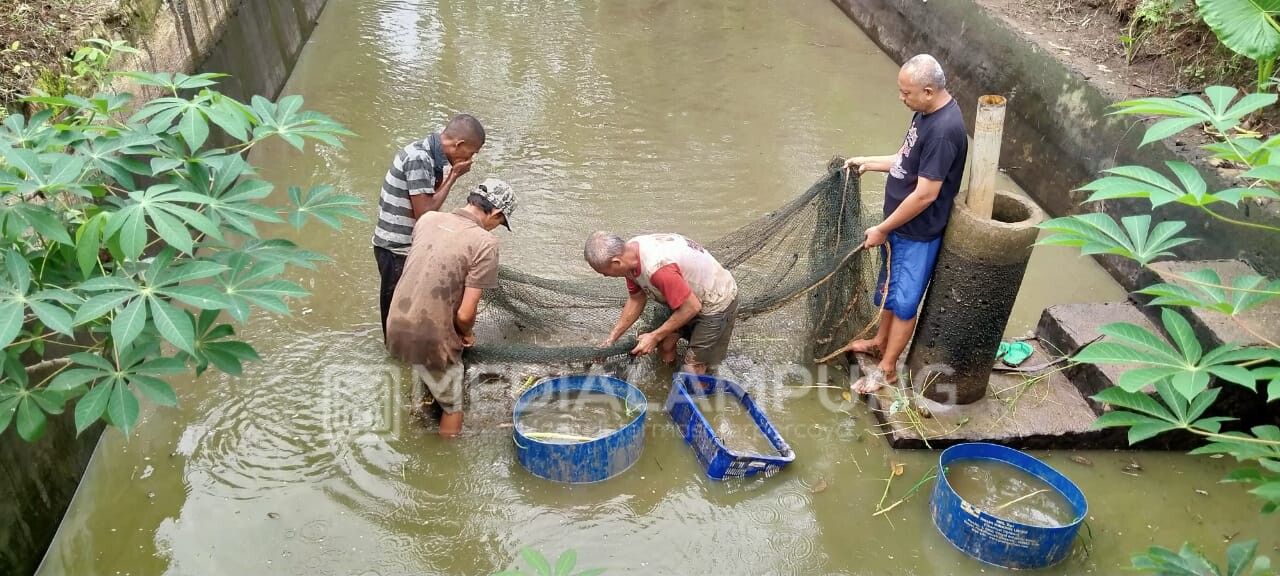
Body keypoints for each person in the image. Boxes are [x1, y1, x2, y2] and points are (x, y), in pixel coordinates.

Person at [843, 54, 968, 394]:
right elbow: (905, 160)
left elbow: (926, 193)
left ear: (929, 91)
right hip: (899, 226)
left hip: (918, 232)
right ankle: (879, 342)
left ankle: (887, 370)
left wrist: (883, 228)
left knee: (906, 301)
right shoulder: (925, 113)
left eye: (906, 93)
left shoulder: (944, 130)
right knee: (890, 291)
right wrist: (868, 161)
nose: (902, 98)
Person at [385, 179, 517, 437]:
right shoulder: (485, 243)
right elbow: (465, 314)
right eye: (500, 223)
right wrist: (466, 334)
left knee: (428, 372)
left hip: (395, 324)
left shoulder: (428, 219)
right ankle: (446, 463)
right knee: (453, 406)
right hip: (430, 337)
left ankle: (421, 406)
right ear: (497, 213)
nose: (496, 228)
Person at [372, 114, 486, 338]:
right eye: (471, 153)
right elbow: (425, 213)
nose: (471, 159)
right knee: (395, 315)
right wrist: (453, 176)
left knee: (406, 308)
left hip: (402, 246)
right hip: (395, 249)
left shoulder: (429, 156)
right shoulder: (419, 159)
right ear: (459, 144)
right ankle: (395, 359)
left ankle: (403, 356)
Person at [584, 231, 738, 375]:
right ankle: (668, 379)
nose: (605, 276)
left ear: (616, 262)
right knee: (665, 346)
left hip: (715, 303)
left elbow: (692, 307)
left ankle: (698, 397)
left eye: (604, 272)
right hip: (686, 297)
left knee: (693, 367)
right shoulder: (629, 255)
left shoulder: (657, 268)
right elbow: (636, 298)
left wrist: (654, 336)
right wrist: (611, 339)